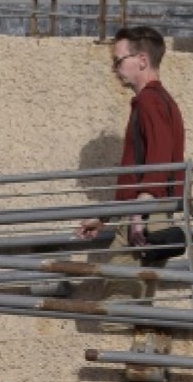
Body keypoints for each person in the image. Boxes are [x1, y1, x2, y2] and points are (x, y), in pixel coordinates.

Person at [76, 25, 185, 303]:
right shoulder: (159, 101)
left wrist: (138, 212)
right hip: (147, 212)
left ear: (142, 60)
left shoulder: (150, 101)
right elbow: (142, 169)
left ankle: (120, 345)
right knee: (136, 301)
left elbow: (157, 160)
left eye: (119, 60)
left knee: (119, 303)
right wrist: (105, 217)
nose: (115, 68)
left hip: (145, 214)